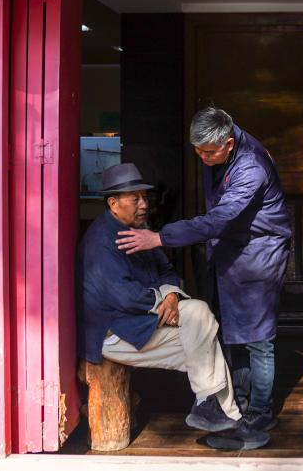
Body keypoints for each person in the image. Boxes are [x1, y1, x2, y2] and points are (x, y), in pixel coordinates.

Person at [117, 107, 291, 451]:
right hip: (233, 249)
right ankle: (238, 405)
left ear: (229, 143)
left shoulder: (251, 167)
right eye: (197, 151)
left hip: (260, 253)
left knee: (258, 338)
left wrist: (160, 237)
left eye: (208, 153)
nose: (202, 158)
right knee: (234, 332)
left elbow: (219, 219)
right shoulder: (217, 151)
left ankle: (259, 414)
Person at [78, 162, 266, 447]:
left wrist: (171, 295)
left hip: (140, 324)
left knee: (204, 341)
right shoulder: (101, 242)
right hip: (114, 335)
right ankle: (223, 417)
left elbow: (167, 270)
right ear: (113, 204)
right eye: (135, 199)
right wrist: (163, 300)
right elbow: (125, 297)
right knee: (201, 323)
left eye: (145, 197)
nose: (144, 205)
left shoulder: (138, 230)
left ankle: (220, 416)